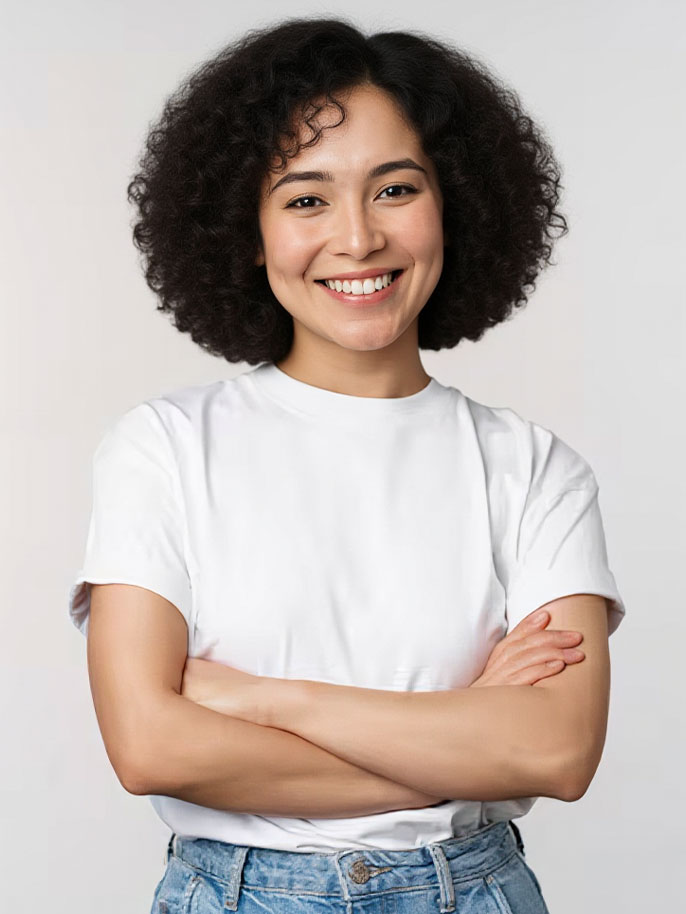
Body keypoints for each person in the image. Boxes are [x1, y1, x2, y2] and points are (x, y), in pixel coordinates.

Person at [68, 16, 626, 914]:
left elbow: (555, 755)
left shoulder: (533, 469)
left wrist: (259, 699)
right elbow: (151, 750)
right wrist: (457, 739)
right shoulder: (164, 446)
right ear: (248, 232)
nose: (359, 239)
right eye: (305, 198)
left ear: (456, 203)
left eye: (395, 188)